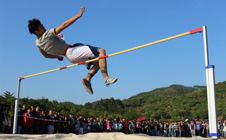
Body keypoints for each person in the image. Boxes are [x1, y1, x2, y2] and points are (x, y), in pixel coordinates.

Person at [28, 7, 117, 95]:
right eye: (41, 27)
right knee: (101, 51)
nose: (44, 27)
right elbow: (64, 25)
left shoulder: (37, 43)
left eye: (42, 25)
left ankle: (87, 79)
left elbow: (46, 55)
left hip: (69, 58)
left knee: (99, 63)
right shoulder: (46, 35)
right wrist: (78, 15)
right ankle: (106, 79)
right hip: (71, 52)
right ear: (36, 31)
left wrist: (57, 57)